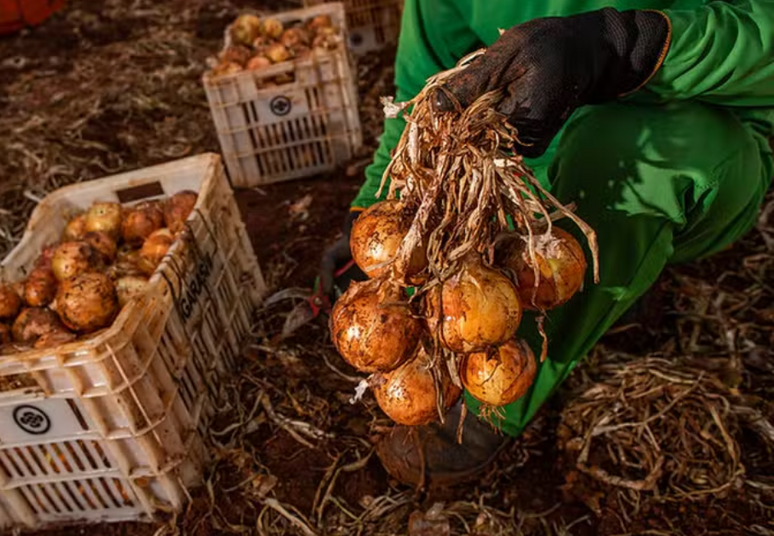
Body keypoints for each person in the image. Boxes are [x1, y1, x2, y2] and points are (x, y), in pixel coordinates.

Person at [320, 0, 774, 487]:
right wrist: (370, 206)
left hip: (699, 142)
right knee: (463, 280)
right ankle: (614, 281)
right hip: (522, 171)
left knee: (628, 149)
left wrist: (618, 44)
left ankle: (492, 406)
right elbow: (423, 95)